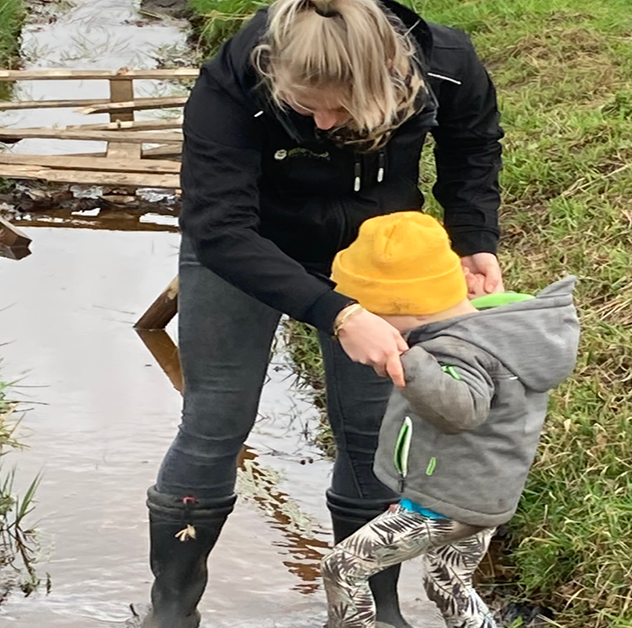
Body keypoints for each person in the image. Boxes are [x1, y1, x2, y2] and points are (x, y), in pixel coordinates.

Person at [135, 0, 504, 626]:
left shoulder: (446, 62)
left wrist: (473, 238)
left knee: (370, 433)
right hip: (244, 248)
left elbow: (473, 144)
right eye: (307, 108)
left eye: (346, 108)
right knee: (215, 421)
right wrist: (337, 314)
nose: (328, 123)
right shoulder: (231, 81)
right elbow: (218, 226)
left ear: (394, 73)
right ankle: (170, 611)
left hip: (376, 257)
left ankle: (373, 613)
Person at [320, 211, 580, 628]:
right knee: (448, 580)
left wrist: (404, 361)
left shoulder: (455, 350)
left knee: (342, 568)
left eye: (368, 312)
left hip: (448, 503)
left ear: (402, 308)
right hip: (478, 491)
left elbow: (461, 411)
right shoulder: (495, 327)